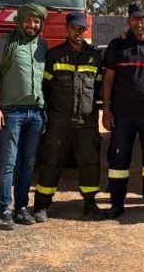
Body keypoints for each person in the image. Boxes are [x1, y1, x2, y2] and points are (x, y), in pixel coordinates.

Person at [31, 11, 104, 222]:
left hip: (86, 122)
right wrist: (49, 114)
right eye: (74, 28)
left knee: (90, 163)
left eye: (81, 28)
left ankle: (89, 204)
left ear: (86, 30)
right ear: (67, 29)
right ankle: (41, 206)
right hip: (59, 121)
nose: (78, 32)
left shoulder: (95, 56)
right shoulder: (54, 55)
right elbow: (44, 88)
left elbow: (99, 87)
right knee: (51, 162)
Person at [101, 3, 144, 218]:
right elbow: (108, 79)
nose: (138, 22)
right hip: (122, 114)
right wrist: (106, 110)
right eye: (134, 18)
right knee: (118, 160)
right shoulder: (117, 45)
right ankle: (116, 204)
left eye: (142, 18)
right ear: (128, 21)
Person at [0, 3, 49, 230]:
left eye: (36, 21)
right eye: (28, 20)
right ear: (20, 21)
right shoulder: (4, 43)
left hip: (36, 113)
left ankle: (21, 207)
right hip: (10, 113)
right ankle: (4, 210)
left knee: (28, 164)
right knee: (8, 164)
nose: (32, 25)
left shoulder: (43, 46)